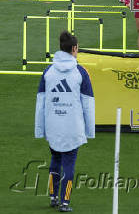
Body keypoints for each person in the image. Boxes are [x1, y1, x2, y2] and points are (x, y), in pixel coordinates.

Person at [35, 31, 95, 212]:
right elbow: (88, 104)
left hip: (53, 124)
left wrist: (40, 129)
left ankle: (53, 197)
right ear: (74, 49)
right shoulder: (81, 72)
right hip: (72, 126)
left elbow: (41, 102)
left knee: (55, 159)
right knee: (69, 163)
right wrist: (90, 130)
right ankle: (65, 202)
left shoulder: (48, 72)